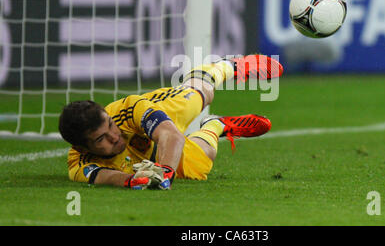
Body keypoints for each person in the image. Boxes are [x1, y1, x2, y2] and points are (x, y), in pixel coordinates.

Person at [58, 54, 283, 190]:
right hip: (149, 156)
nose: (114, 136)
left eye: (109, 125)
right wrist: (133, 180)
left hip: (158, 119)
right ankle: (216, 124)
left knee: (198, 97)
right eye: (101, 139)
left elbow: (171, 135)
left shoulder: (126, 110)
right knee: (203, 162)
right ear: (81, 147)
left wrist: (165, 171)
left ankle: (225, 66)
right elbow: (104, 177)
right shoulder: (79, 164)